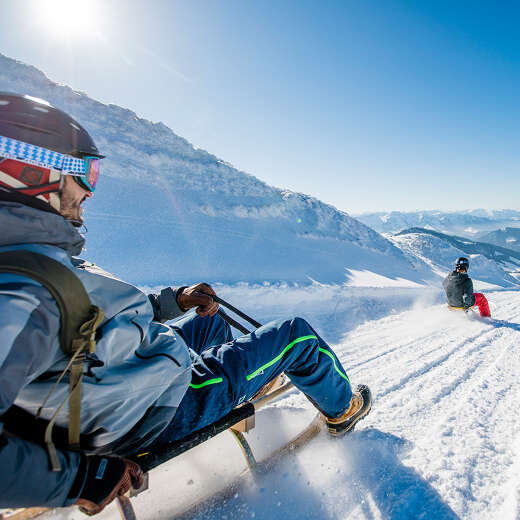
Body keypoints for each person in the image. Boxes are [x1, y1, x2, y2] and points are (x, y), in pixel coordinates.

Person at [0, 93, 372, 515]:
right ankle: (343, 410)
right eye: (85, 173)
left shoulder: (33, 258)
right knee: (296, 335)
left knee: (210, 323)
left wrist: (176, 300)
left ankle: (245, 377)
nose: (90, 190)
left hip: (120, 386)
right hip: (155, 410)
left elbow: (96, 312)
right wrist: (80, 478)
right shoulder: (22, 291)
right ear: (28, 171)